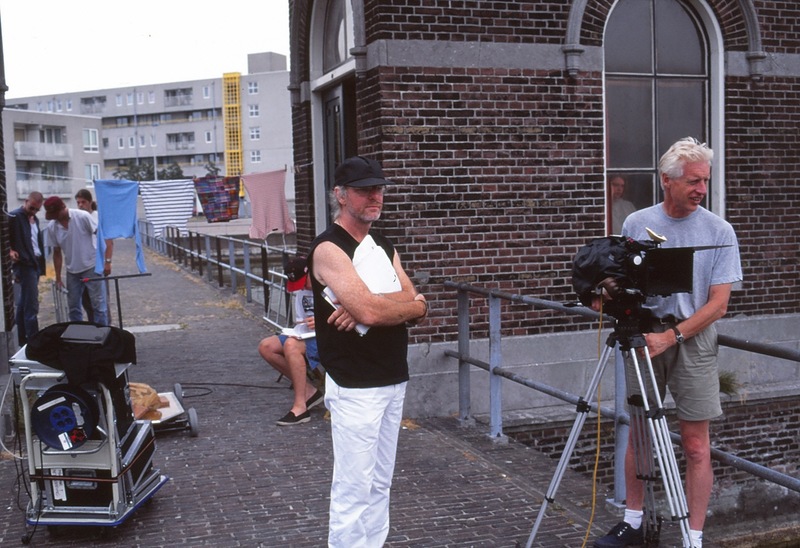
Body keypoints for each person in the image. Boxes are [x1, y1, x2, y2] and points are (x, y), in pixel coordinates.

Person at [592, 138, 742, 548]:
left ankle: (693, 538)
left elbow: (719, 304)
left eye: (705, 181)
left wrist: (671, 337)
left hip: (691, 339)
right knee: (639, 434)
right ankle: (633, 521)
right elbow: (619, 279)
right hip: (643, 336)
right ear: (667, 180)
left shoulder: (719, 231)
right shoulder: (636, 222)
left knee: (695, 445)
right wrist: (603, 292)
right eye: (693, 181)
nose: (701, 189)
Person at [308, 155, 428, 547]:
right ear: (341, 195)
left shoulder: (382, 244)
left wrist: (383, 304)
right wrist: (399, 306)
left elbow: (409, 300)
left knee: (380, 483)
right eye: (364, 190)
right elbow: (375, 311)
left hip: (393, 376)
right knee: (353, 488)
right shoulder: (329, 249)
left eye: (378, 189)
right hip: (355, 383)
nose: (375, 196)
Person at [257, 255, 324, 426]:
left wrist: (322, 321)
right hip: (308, 334)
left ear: (311, 272)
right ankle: (309, 390)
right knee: (266, 346)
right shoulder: (301, 291)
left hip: (328, 335)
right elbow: (301, 320)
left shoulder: (330, 286)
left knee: (291, 346)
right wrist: (298, 330)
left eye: (303, 282)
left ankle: (300, 407)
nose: (302, 288)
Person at [43, 196, 110, 326]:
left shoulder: (82, 217)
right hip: (72, 270)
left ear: (63, 207)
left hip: (91, 266)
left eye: (56, 214)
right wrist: (58, 277)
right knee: (73, 306)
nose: (55, 217)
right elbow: (57, 252)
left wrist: (106, 260)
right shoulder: (52, 226)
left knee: (98, 305)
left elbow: (101, 236)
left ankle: (102, 332)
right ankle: (77, 333)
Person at [8, 191, 46, 345]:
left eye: (37, 209)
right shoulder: (15, 216)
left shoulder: (34, 219)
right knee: (31, 305)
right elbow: (5, 236)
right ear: (26, 202)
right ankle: (34, 341)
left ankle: (22, 340)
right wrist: (10, 251)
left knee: (24, 303)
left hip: (34, 263)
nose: (34, 212)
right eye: (32, 208)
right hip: (25, 263)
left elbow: (36, 242)